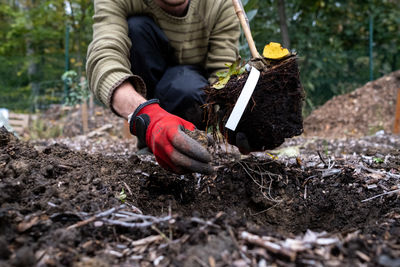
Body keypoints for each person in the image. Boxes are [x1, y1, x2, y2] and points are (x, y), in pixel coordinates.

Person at [86, 0, 241, 174]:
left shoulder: (219, 4)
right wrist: (150, 116)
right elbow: (105, 56)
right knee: (136, 27)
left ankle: (194, 142)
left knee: (184, 86)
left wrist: (234, 120)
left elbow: (223, 73)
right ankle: (150, 140)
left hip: (194, 90)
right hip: (149, 93)